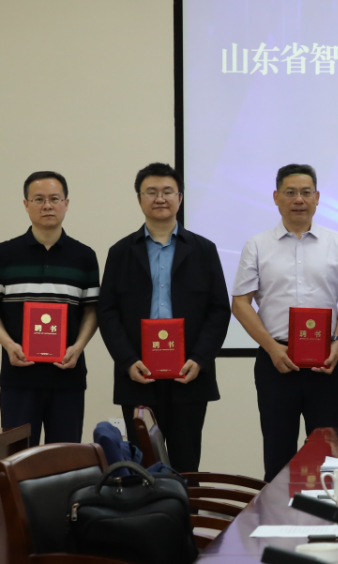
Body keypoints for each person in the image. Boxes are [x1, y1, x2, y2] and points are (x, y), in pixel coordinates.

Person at [232, 164, 338, 481]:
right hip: (276, 361)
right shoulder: (257, 245)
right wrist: (271, 349)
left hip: (326, 363)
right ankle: (276, 513)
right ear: (276, 197)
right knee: (278, 452)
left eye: (306, 192)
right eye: (290, 193)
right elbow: (240, 303)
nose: (298, 199)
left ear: (317, 198)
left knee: (329, 453)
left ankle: (327, 511)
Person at [97, 163, 231, 473]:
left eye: (168, 191)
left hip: (189, 374)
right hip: (138, 375)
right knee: (142, 467)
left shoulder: (203, 250)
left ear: (180, 198)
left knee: (186, 465)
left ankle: (185, 508)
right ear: (139, 199)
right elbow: (108, 311)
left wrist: (199, 359)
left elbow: (218, 310)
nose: (160, 198)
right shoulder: (120, 252)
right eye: (151, 192)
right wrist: (127, 361)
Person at [0, 171, 100, 447]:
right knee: (18, 458)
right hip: (18, 377)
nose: (47, 206)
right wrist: (9, 344)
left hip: (68, 376)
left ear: (66, 203)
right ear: (26, 204)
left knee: (65, 459)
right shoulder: (3, 254)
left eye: (54, 199)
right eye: (39, 199)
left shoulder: (84, 256)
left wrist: (79, 346)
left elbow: (92, 311)